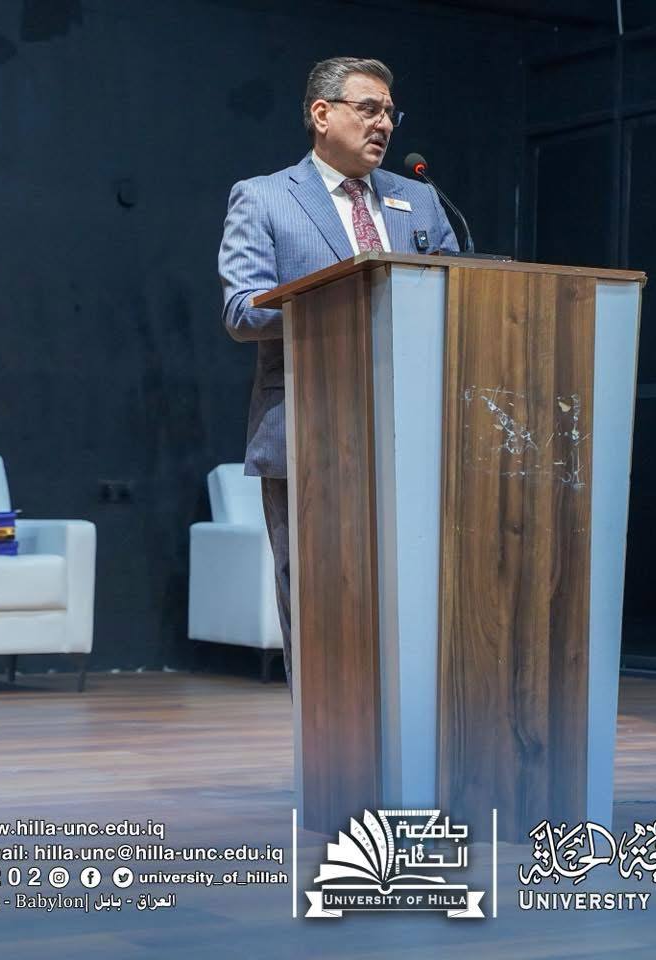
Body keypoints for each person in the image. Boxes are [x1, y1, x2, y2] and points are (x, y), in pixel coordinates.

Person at [217, 56, 459, 690]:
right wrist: (352, 300)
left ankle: (411, 719)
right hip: (309, 428)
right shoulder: (265, 197)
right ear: (322, 114)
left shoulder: (420, 200)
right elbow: (242, 311)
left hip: (414, 431)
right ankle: (325, 734)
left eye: (390, 113)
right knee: (318, 595)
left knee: (413, 590)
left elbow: (459, 294)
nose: (384, 125)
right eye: (369, 109)